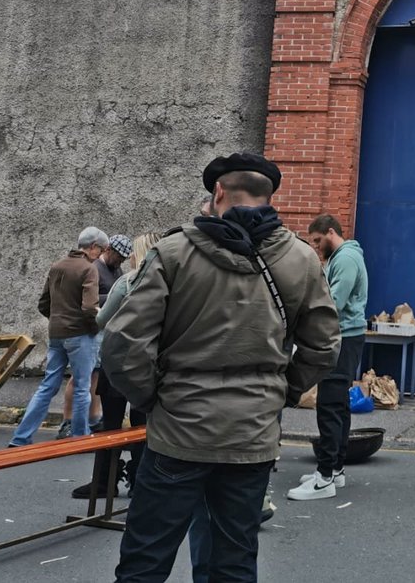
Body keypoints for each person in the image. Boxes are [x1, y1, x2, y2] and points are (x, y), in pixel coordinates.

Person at [102, 153, 341, 582]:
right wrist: (281, 392)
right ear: (270, 196)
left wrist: (153, 398)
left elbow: (122, 344)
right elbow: (323, 347)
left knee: (145, 559)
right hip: (251, 434)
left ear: (217, 192)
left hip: (179, 430)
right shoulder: (302, 259)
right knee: (233, 560)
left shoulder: (173, 252)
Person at [71, 232, 157, 499]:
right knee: (143, 427)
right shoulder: (167, 284)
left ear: (139, 254)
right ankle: (139, 480)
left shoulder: (128, 281)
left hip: (119, 361)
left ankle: (103, 482)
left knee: (110, 425)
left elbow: (102, 320)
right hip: (149, 363)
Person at [289, 214, 369, 501]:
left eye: (318, 240)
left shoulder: (346, 259)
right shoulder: (344, 257)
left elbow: (333, 302)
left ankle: (324, 478)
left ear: (331, 233)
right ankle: (335, 469)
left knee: (330, 405)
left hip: (343, 337)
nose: (316, 246)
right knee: (338, 405)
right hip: (347, 336)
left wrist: (305, 325)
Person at [9, 226, 108, 446]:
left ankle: (21, 437)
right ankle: (80, 438)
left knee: (48, 386)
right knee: (83, 387)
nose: (100, 255)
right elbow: (90, 308)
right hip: (80, 335)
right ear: (93, 247)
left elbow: (43, 303)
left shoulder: (57, 266)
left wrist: (57, 320)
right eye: (100, 250)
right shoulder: (89, 269)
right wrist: (93, 328)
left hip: (56, 334)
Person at [60, 233, 133, 439]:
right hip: (91, 327)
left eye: (124, 259)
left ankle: (93, 418)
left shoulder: (115, 268)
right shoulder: (95, 268)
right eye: (119, 257)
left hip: (105, 330)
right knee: (79, 377)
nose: (120, 262)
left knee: (96, 377)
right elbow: (84, 298)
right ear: (108, 250)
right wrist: (113, 298)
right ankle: (67, 421)